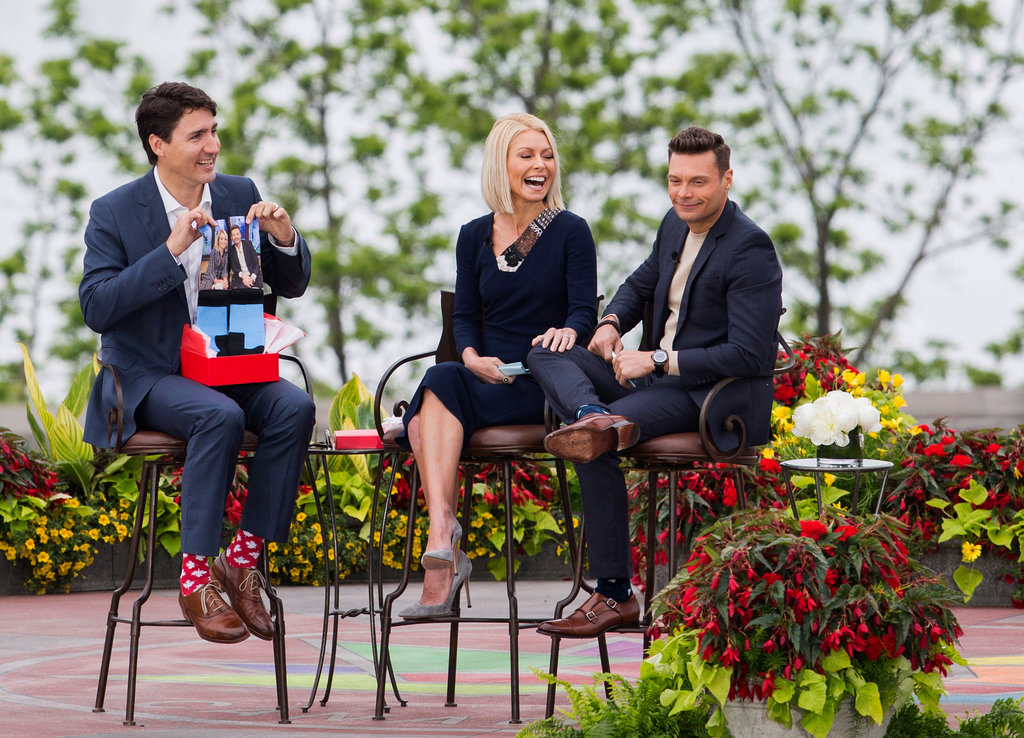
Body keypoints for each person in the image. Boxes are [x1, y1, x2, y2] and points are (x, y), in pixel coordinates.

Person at [79, 82, 316, 644]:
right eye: (197, 135)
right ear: (158, 144)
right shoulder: (114, 211)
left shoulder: (240, 192)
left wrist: (285, 239)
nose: (212, 145)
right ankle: (194, 576)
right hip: (149, 376)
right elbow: (97, 306)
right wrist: (169, 252)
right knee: (218, 418)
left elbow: (293, 282)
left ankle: (243, 558)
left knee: (295, 407)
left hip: (233, 368)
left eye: (214, 131)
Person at [528, 126, 783, 638]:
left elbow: (751, 353)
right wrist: (610, 324)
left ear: (727, 179)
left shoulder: (750, 247)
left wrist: (659, 359)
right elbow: (639, 282)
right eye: (674, 181)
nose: (683, 194)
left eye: (697, 182)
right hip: (649, 385)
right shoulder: (674, 224)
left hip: (707, 396)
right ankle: (588, 415)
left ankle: (616, 594)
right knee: (544, 349)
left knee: (597, 445)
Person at [396, 113, 598, 619]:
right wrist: (471, 358)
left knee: (421, 418)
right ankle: (444, 538)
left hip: (540, 378)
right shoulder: (472, 235)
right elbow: (464, 316)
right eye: (526, 155)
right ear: (500, 165)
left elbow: (583, 311)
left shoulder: (571, 230)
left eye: (547, 155)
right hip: (485, 376)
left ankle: (441, 558)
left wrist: (570, 333)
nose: (540, 165)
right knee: (443, 378)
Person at [228, 224, 263, 289]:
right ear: (231, 237)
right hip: (241, 278)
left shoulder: (248, 244)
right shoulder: (231, 251)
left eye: (237, 234)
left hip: (254, 275)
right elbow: (235, 269)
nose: (236, 237)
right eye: (233, 235)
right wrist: (244, 277)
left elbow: (256, 264)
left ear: (240, 235)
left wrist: (251, 278)